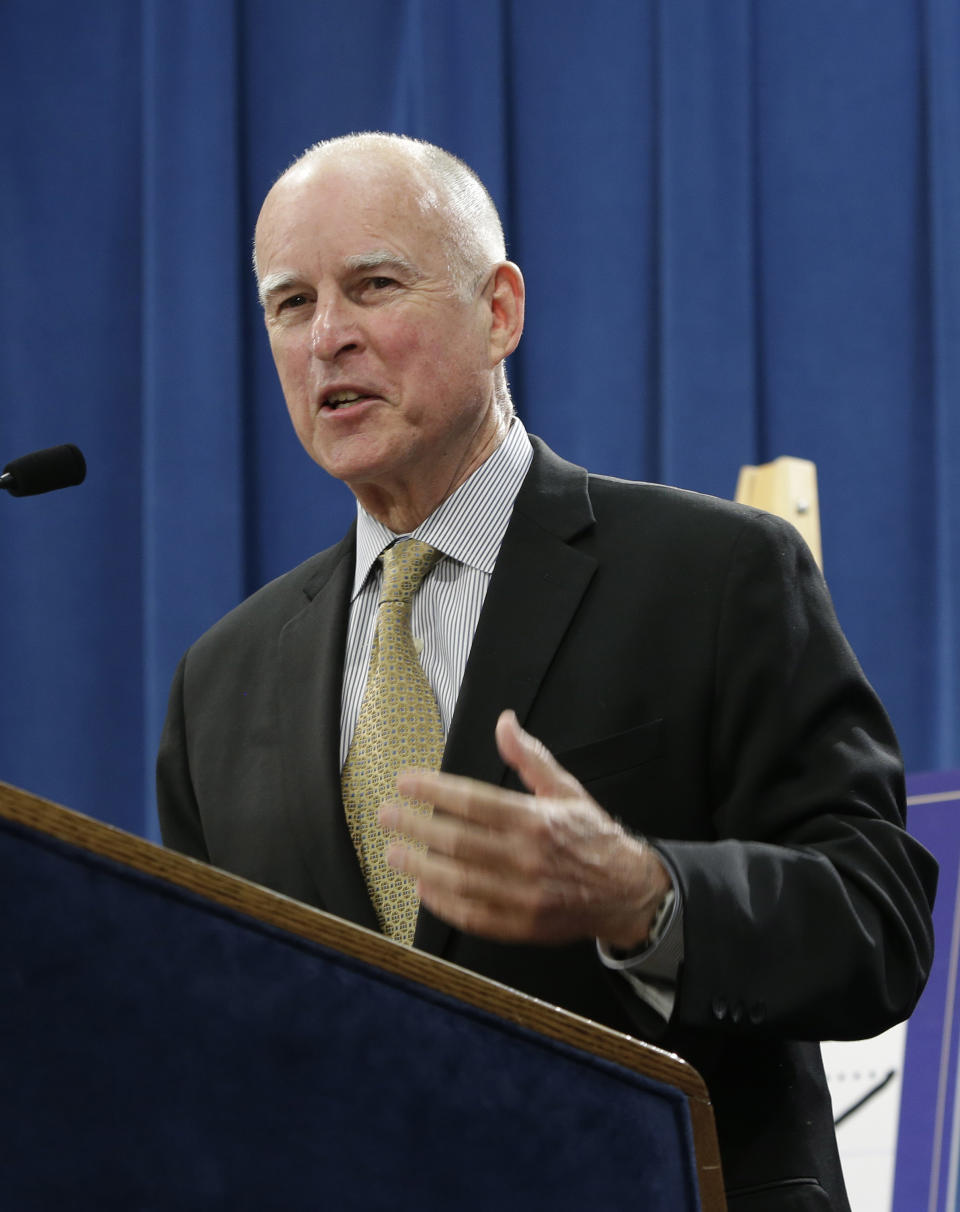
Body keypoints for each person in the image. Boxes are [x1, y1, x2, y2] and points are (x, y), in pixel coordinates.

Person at [158, 132, 937, 1211]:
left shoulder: (715, 577)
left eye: (373, 285)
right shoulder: (220, 682)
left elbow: (877, 922)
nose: (329, 336)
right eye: (291, 305)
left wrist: (648, 896)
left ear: (500, 311)